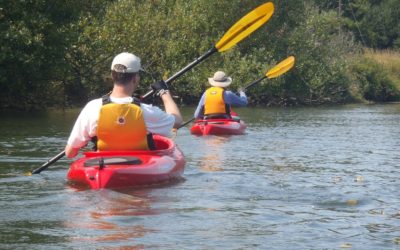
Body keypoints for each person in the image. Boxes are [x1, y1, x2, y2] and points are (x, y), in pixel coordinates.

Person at [65, 52, 183, 158]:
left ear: (112, 76)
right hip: (139, 166)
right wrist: (164, 92)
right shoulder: (146, 111)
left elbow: (70, 153)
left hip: (102, 165)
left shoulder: (92, 108)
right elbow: (177, 121)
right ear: (135, 78)